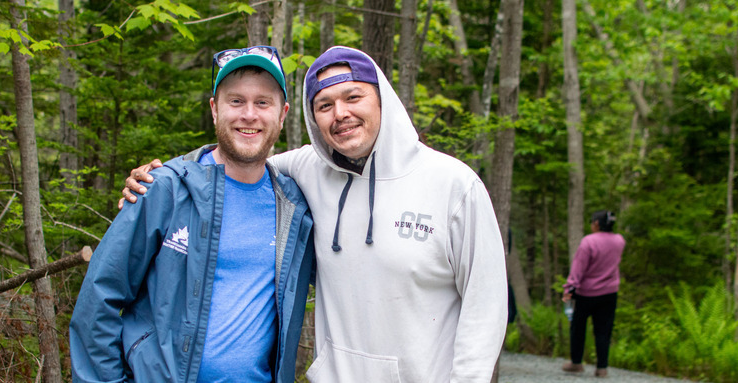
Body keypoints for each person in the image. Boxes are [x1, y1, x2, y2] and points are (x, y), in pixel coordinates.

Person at [122, 46, 508, 382]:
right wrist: (163, 176)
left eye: (353, 97)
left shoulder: (453, 185)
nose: (340, 114)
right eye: (324, 105)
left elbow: (486, 306)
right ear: (312, 118)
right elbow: (239, 153)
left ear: (382, 101)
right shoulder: (304, 170)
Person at [70, 45, 316, 383]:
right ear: (215, 109)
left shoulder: (296, 208)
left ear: (282, 113)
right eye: (235, 101)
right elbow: (99, 300)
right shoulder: (165, 190)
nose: (249, 114)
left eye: (262, 102)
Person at [561, 210, 624, 378]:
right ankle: (602, 368)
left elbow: (578, 267)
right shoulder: (619, 241)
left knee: (578, 328)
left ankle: (576, 363)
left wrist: (569, 288)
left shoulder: (589, 242)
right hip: (610, 292)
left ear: (596, 223)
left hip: (586, 292)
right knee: (604, 330)